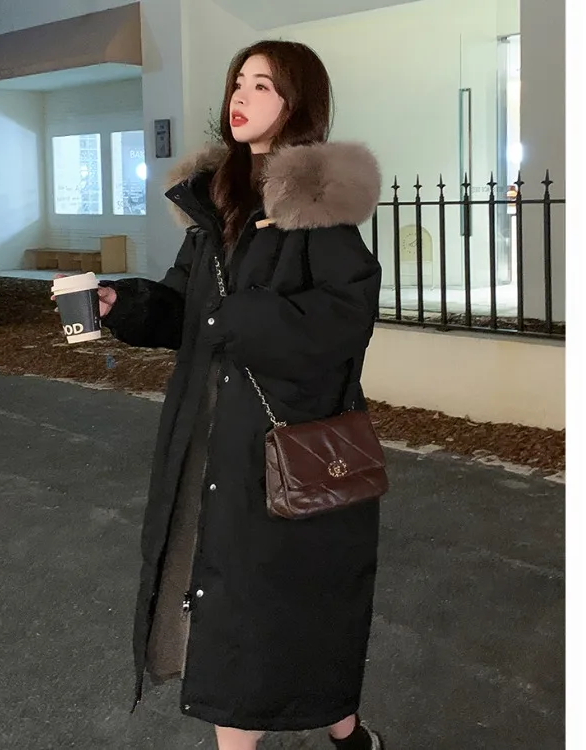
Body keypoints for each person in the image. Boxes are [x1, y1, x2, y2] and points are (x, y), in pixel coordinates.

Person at [97, 40, 384, 750]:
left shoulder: (312, 206)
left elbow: (344, 317)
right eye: (239, 82)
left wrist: (242, 319)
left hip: (275, 443)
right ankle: (347, 730)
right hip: (212, 435)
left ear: (296, 105)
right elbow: (184, 310)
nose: (242, 96)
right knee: (253, 604)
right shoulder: (218, 202)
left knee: (261, 606)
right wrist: (123, 305)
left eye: (264, 85)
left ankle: (333, 728)